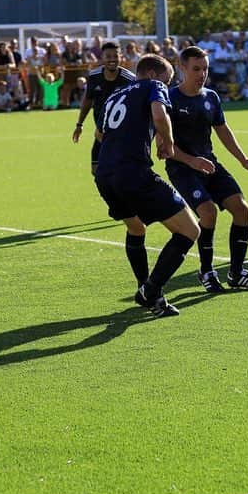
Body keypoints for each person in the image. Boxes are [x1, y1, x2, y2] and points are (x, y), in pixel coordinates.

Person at [93, 54, 200, 318]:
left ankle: (144, 287)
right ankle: (152, 290)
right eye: (168, 80)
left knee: (136, 227)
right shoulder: (153, 85)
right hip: (134, 172)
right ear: (153, 74)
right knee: (190, 230)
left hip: (105, 175)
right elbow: (159, 113)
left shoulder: (114, 96)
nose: (168, 86)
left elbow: (100, 134)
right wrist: (168, 141)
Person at [166, 46, 248, 292]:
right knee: (208, 213)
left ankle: (236, 273)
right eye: (196, 69)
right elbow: (164, 147)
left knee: (242, 210)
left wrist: (244, 160)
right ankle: (207, 270)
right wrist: (192, 161)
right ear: (182, 68)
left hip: (208, 164)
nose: (202, 74)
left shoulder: (210, 97)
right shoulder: (170, 98)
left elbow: (223, 131)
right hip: (182, 168)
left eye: (205, 69)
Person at [73, 41, 137, 175]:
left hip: (121, 135)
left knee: (122, 172)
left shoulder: (129, 80)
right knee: (96, 171)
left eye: (115, 56)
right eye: (108, 56)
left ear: (121, 57)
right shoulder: (94, 76)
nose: (112, 59)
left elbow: (136, 107)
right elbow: (87, 100)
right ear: (102, 58)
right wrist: (79, 124)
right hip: (101, 132)